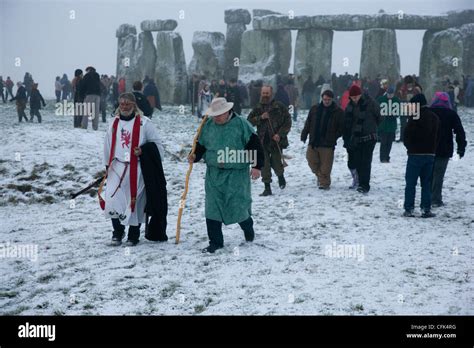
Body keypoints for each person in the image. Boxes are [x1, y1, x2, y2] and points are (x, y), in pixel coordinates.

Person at [188, 97, 264, 253]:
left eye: (219, 114)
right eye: (214, 114)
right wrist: (194, 156)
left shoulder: (242, 124)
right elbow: (200, 146)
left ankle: (247, 226)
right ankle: (215, 242)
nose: (216, 117)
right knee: (212, 208)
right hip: (214, 174)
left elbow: (255, 145)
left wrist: (257, 166)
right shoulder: (208, 125)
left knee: (238, 206)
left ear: (228, 111)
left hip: (236, 174)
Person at [102, 92, 167, 246]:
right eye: (122, 104)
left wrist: (143, 151)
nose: (124, 107)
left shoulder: (145, 123)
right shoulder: (113, 123)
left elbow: (158, 147)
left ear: (134, 105)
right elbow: (107, 144)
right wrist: (106, 165)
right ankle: (117, 232)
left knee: (134, 202)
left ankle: (133, 234)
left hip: (136, 168)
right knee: (113, 200)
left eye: (128, 104)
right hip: (116, 168)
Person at [247, 86, 292, 196]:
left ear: (271, 93)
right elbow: (248, 122)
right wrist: (260, 118)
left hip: (276, 141)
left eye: (267, 93)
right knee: (264, 165)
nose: (265, 95)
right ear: (261, 93)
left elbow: (288, 121)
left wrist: (280, 134)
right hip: (262, 141)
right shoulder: (257, 107)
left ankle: (280, 176)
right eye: (263, 93)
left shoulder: (279, 106)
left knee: (277, 163)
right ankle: (267, 187)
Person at [403, 94, 439, 218]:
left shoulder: (414, 117)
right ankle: (426, 209)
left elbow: (406, 135)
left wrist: (409, 147)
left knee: (410, 183)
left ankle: (409, 209)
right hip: (430, 154)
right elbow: (437, 136)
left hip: (415, 154)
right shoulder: (434, 117)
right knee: (426, 184)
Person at [428, 92, 467, 208]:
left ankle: (427, 196)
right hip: (444, 149)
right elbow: (459, 132)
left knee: (429, 174)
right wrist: (461, 148)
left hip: (428, 148)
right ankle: (435, 198)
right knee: (439, 174)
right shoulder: (451, 114)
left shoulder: (429, 112)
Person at [301, 89, 344, 189]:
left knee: (326, 167)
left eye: (328, 99)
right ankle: (321, 178)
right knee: (311, 160)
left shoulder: (338, 112)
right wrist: (304, 134)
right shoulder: (315, 109)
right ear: (322, 99)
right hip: (314, 141)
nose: (326, 101)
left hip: (328, 143)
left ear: (332, 99)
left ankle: (324, 183)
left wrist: (334, 136)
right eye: (325, 99)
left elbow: (342, 127)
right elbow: (308, 122)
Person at [343, 85, 381, 193]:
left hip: (369, 137)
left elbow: (380, 116)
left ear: (360, 95)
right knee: (357, 162)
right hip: (356, 138)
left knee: (366, 162)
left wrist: (372, 127)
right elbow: (346, 123)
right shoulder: (349, 107)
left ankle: (364, 185)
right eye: (353, 97)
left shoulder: (371, 103)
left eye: (356, 97)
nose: (355, 99)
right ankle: (360, 182)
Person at [377, 86, 399, 163]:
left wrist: (394, 114)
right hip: (383, 125)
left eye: (391, 94)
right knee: (383, 142)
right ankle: (382, 158)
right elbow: (377, 110)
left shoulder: (396, 100)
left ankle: (387, 157)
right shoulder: (381, 100)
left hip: (392, 125)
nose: (390, 96)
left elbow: (398, 112)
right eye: (389, 94)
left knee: (389, 143)